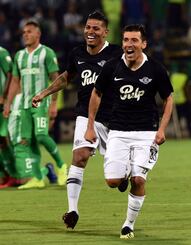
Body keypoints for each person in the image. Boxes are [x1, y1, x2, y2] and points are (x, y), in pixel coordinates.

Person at [32, 11, 122, 229]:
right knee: (80, 157)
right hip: (86, 115)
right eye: (88, 27)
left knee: (116, 179)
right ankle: (72, 210)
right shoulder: (77, 53)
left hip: (115, 119)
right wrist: (44, 93)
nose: (90, 32)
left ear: (105, 32)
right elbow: (66, 77)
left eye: (96, 28)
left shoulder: (117, 53)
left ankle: (124, 174)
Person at [84, 24, 173, 239]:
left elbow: (168, 98)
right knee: (112, 182)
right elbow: (96, 93)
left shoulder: (156, 69)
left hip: (146, 133)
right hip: (118, 132)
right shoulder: (112, 67)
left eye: (134, 40)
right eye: (125, 40)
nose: (129, 44)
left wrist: (161, 129)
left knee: (139, 179)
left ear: (143, 44)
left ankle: (128, 225)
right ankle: (121, 176)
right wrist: (90, 125)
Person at [3, 20, 67, 189]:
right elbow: (15, 82)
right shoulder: (19, 55)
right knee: (28, 140)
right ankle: (38, 178)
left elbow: (57, 80)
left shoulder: (47, 53)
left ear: (38, 34)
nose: (26, 34)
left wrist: (53, 105)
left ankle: (61, 166)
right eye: (24, 32)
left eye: (29, 31)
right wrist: (9, 104)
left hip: (41, 102)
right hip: (24, 104)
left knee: (41, 135)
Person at [0, 45, 16, 186]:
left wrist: (4, 97)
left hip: (1, 104)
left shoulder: (1, 52)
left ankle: (13, 173)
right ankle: (6, 174)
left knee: (4, 138)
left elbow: (11, 75)